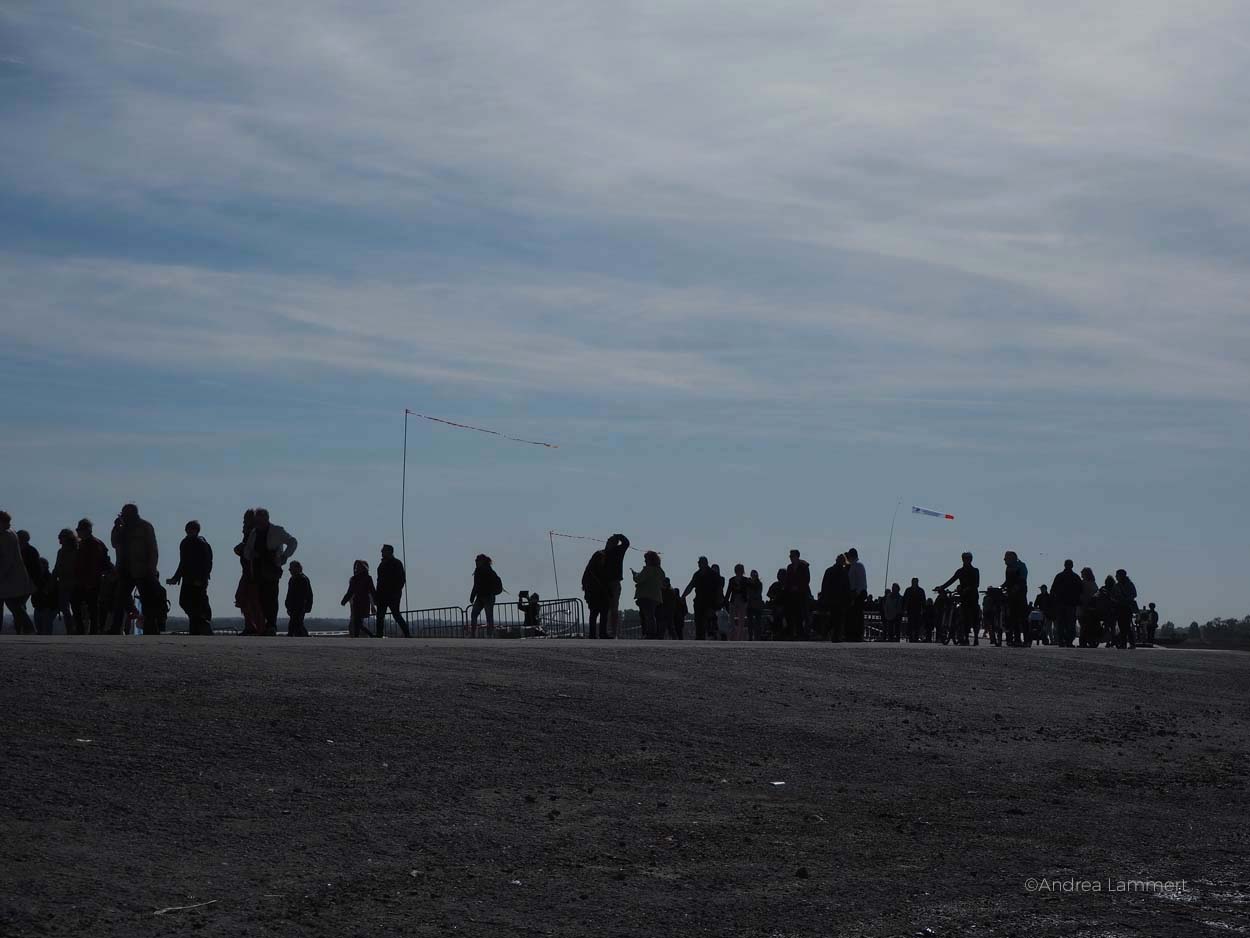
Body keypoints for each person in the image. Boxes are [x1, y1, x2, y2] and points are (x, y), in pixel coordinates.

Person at [243, 507, 298, 637]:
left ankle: (271, 625)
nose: (259, 523)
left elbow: (292, 542)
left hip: (272, 568)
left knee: (271, 598)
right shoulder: (254, 533)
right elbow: (247, 550)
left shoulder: (277, 530)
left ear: (267, 518)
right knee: (261, 598)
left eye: (262, 519)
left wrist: (284, 556)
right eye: (258, 520)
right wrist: (251, 555)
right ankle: (264, 625)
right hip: (257, 569)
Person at [110, 504, 163, 636]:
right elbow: (114, 543)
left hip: (142, 569)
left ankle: (150, 629)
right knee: (120, 600)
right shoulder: (122, 528)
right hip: (125, 569)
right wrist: (116, 527)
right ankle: (116, 628)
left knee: (147, 600)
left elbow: (153, 548)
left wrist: (151, 567)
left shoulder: (145, 527)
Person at [168, 520, 214, 635]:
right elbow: (182, 562)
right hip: (187, 578)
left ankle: (202, 625)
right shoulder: (184, 543)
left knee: (199, 603)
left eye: (192, 529)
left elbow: (207, 563)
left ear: (197, 531)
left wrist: (202, 579)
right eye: (188, 529)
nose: (189, 531)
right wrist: (176, 577)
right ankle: (198, 625)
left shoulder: (201, 543)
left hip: (199, 579)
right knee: (184, 601)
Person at [72, 519, 109, 635]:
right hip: (82, 580)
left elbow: (95, 564)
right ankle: (83, 629)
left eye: (79, 530)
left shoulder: (93, 544)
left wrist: (90, 580)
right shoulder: (82, 543)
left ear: (86, 530)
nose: (78, 532)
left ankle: (92, 630)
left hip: (91, 580)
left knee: (92, 607)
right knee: (78, 605)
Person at [0, 512, 35, 634]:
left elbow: (7, 558)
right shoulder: (10, 533)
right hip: (13, 575)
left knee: (13, 604)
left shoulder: (5, 535)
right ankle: (29, 627)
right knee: (14, 604)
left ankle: (29, 627)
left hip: (8, 576)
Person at [936, 552, 981, 646]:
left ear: (971, 559)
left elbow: (976, 584)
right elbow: (952, 580)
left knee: (974, 616)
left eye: (967, 558)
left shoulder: (975, 570)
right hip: (963, 597)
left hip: (972, 596)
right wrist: (942, 587)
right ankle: (965, 637)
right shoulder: (960, 571)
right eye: (964, 558)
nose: (965, 560)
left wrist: (967, 588)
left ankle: (976, 637)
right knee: (964, 616)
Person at [233, 510, 265, 636]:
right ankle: (252, 625)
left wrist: (241, 549)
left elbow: (252, 551)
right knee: (244, 599)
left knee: (252, 600)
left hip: (252, 572)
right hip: (247, 571)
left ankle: (257, 626)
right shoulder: (248, 532)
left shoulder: (255, 532)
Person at [681, 557, 721, 641]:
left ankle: (713, 636)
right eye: (698, 563)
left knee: (710, 621)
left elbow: (718, 590)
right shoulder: (697, 574)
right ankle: (699, 637)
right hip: (699, 601)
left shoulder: (713, 575)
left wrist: (717, 603)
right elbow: (691, 586)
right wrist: (683, 596)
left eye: (700, 563)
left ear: (705, 563)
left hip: (710, 602)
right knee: (698, 620)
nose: (699, 564)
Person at [375, 545, 410, 638]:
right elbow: (379, 581)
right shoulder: (382, 564)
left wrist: (395, 592)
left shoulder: (396, 563)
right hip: (382, 594)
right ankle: (379, 635)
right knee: (380, 616)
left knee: (396, 614)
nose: (381, 552)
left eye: (383, 551)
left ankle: (407, 634)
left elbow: (401, 580)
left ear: (389, 551)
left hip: (392, 594)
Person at [601, 533, 631, 639]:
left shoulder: (618, 551)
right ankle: (604, 631)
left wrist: (619, 536)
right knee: (604, 608)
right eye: (608, 541)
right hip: (603, 584)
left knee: (613, 608)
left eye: (610, 541)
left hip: (614, 583)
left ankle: (613, 632)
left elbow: (626, 543)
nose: (608, 543)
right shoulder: (603, 553)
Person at [631, 551, 665, 639]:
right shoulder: (660, 571)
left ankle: (650, 634)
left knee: (648, 616)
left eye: (646, 559)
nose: (645, 561)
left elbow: (638, 579)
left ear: (650, 560)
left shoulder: (647, 569)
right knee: (652, 615)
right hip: (656, 597)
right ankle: (653, 633)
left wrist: (634, 575)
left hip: (646, 596)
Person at [1050, 560, 1082, 648]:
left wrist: (1054, 602)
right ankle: (1068, 641)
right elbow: (1080, 591)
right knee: (1070, 624)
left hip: (1062, 603)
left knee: (1062, 623)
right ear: (1072, 565)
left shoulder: (1059, 576)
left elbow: (1053, 590)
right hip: (1070, 604)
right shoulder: (1075, 577)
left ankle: (1061, 641)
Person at [818, 554, 850, 642]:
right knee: (837, 619)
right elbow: (846, 587)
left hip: (832, 598)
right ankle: (834, 636)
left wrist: (824, 597)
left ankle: (827, 634)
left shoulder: (829, 570)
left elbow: (824, 586)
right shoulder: (843, 572)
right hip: (839, 599)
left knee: (834, 618)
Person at [469, 554, 503, 637]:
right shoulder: (489, 570)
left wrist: (472, 596)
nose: (476, 562)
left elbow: (476, 585)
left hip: (485, 596)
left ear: (482, 561)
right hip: (485, 596)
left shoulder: (481, 570)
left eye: (477, 560)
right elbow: (476, 585)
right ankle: (488, 634)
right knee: (487, 616)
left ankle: (476, 634)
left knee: (476, 614)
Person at [341, 560, 376, 638]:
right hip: (357, 602)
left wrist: (375, 602)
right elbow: (350, 591)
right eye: (356, 567)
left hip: (363, 602)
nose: (357, 569)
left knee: (357, 622)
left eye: (358, 567)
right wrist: (345, 600)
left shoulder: (367, 578)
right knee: (357, 622)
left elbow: (372, 591)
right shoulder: (354, 579)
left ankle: (370, 635)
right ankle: (361, 636)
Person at [1001, 550, 1029, 647]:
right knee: (1013, 618)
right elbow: (1007, 581)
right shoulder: (1008, 568)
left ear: (1012, 558)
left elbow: (1022, 579)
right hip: (1011, 596)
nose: (1004, 561)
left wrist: (1015, 589)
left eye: (1006, 559)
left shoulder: (1021, 566)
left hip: (1020, 596)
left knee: (1023, 618)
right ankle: (1017, 639)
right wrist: (1000, 587)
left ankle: (1027, 640)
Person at [783, 550, 811, 640]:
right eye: (790, 556)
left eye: (792, 556)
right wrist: (789, 588)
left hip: (802, 593)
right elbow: (787, 580)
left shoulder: (804, 566)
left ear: (797, 556)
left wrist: (798, 587)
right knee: (793, 614)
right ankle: (794, 634)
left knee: (803, 614)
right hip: (792, 595)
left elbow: (807, 579)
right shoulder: (790, 567)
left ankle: (803, 634)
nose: (791, 558)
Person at [581, 548, 608, 639]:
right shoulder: (599, 570)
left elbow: (584, 582)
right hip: (598, 594)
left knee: (594, 614)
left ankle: (593, 634)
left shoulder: (589, 570)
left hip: (593, 595)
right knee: (601, 614)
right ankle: (602, 633)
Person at [285, 561, 314, 636]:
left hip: (300, 607)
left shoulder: (303, 579)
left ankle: (302, 636)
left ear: (297, 568)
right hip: (294, 607)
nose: (290, 570)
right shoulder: (292, 579)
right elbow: (289, 594)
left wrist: (306, 606)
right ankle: (302, 636)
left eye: (291, 568)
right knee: (296, 624)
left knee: (296, 624)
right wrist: (287, 605)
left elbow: (307, 595)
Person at [845, 548, 868, 642]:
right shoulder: (855, 566)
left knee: (857, 615)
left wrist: (855, 594)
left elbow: (860, 582)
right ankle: (853, 634)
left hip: (858, 593)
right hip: (856, 592)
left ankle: (858, 635)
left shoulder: (857, 566)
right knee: (853, 616)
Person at [31, 558, 58, 634]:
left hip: (48, 607)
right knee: (39, 629)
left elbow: (54, 595)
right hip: (38, 607)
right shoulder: (36, 578)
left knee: (46, 628)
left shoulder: (50, 579)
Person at [724, 564, 751, 641]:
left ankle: (739, 638)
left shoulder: (746, 580)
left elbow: (748, 591)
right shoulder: (731, 580)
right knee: (731, 620)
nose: (739, 571)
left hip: (742, 601)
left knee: (741, 621)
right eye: (737, 570)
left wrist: (747, 601)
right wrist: (725, 601)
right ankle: (732, 637)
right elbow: (728, 591)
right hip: (733, 601)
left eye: (740, 570)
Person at [1113, 569, 1138, 649]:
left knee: (1126, 626)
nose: (1116, 577)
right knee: (1122, 626)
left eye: (1117, 575)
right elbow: (1114, 596)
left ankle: (1129, 643)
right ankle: (1124, 643)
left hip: (1127, 607)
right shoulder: (1117, 585)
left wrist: (1126, 598)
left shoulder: (1129, 585)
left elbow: (1134, 594)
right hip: (1120, 607)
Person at [1077, 567, 1100, 647]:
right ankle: (1090, 640)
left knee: (1084, 625)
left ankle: (1083, 641)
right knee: (1089, 625)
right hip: (1091, 607)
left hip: (1084, 606)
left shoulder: (1083, 583)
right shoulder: (1093, 583)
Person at [903, 578, 926, 643]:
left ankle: (916, 637)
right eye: (913, 581)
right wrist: (904, 609)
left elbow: (923, 600)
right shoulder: (908, 590)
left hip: (918, 609)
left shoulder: (921, 590)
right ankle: (911, 637)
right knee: (910, 624)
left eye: (915, 581)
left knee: (917, 624)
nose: (914, 583)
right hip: (910, 609)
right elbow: (905, 599)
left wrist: (923, 609)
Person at [766, 568, 787, 639]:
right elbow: (768, 594)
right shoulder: (775, 584)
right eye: (780, 574)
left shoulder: (787, 585)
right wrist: (774, 597)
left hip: (786, 607)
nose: (780, 576)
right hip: (776, 605)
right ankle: (775, 632)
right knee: (774, 619)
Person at [746, 569, 766, 641]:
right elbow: (747, 593)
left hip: (757, 605)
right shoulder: (748, 583)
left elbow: (758, 594)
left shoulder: (759, 584)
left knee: (758, 622)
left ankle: (757, 637)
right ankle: (750, 636)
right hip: (750, 605)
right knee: (750, 622)